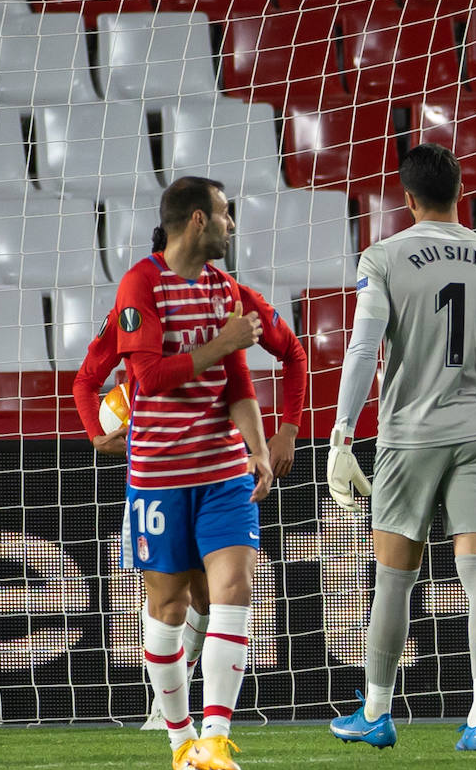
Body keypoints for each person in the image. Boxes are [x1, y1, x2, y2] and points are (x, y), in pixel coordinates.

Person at [325, 144, 476, 752]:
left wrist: (340, 431)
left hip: (409, 437)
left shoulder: (384, 257)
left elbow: (363, 349)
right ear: (460, 193)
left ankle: (378, 712)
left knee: (393, 577)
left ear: (407, 199)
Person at [73, 226, 308, 733]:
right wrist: (97, 435)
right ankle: (172, 709)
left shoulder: (230, 296)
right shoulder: (137, 303)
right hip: (159, 469)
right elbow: (87, 379)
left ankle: (197, 721)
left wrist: (284, 431)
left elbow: (282, 357)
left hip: (217, 468)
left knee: (218, 593)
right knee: (171, 597)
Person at [105, 175, 273, 770]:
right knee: (169, 607)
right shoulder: (140, 285)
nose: (232, 224)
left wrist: (257, 448)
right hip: (158, 476)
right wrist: (222, 342)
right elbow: (147, 378)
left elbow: (238, 384)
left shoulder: (223, 287)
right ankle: (180, 739)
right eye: (226, 214)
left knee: (234, 592)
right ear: (198, 220)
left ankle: (217, 737)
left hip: (223, 470)